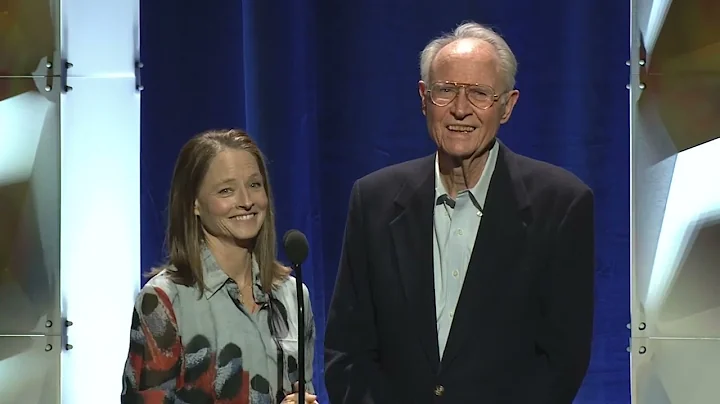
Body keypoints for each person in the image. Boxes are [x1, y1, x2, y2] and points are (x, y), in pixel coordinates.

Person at [324, 22, 595, 404]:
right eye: (446, 91)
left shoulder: (561, 204)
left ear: (507, 106)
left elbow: (561, 360)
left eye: (480, 94)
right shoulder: (374, 201)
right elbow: (348, 350)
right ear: (423, 98)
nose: (461, 109)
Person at [121, 129, 318, 404]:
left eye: (254, 185)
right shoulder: (165, 300)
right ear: (195, 204)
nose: (246, 201)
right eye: (226, 190)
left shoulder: (293, 296)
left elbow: (303, 391)